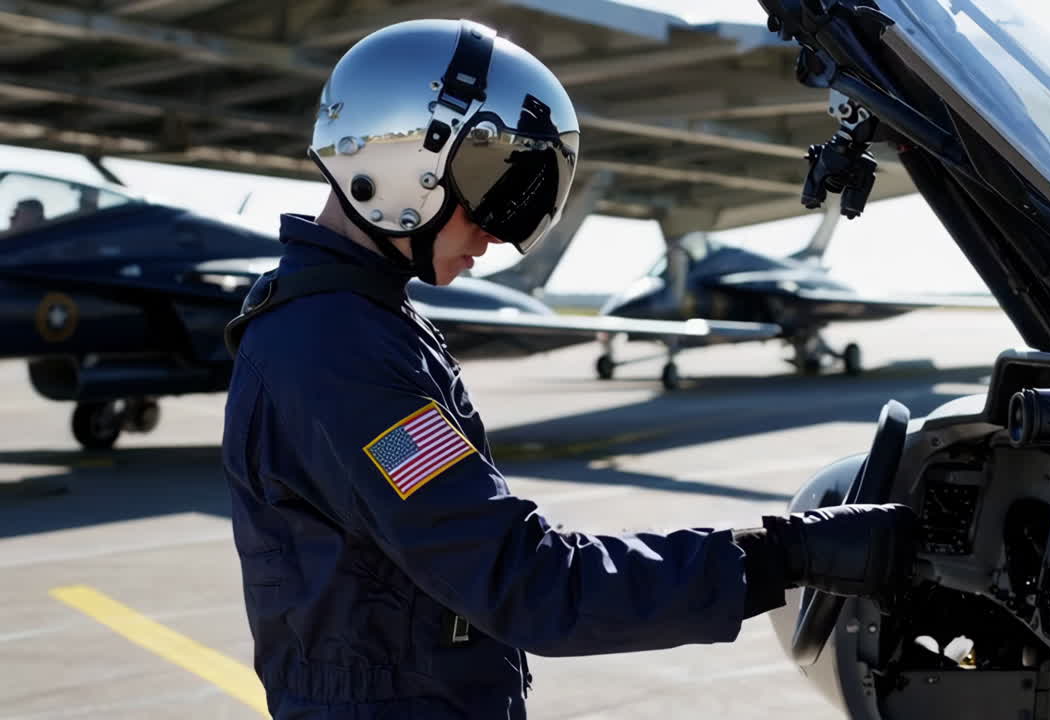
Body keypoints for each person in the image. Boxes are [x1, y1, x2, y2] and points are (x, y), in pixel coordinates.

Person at [221, 19, 917, 718]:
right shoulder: (342, 355)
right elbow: (529, 584)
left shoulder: (349, 326)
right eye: (493, 192)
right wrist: (789, 555)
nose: (495, 236)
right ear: (415, 164)